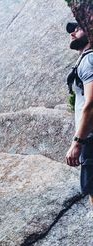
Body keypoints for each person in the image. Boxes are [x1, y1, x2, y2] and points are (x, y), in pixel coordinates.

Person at [66, 21, 93, 205]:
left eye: (77, 28)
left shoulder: (89, 60)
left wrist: (77, 143)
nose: (72, 33)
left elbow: (90, 103)